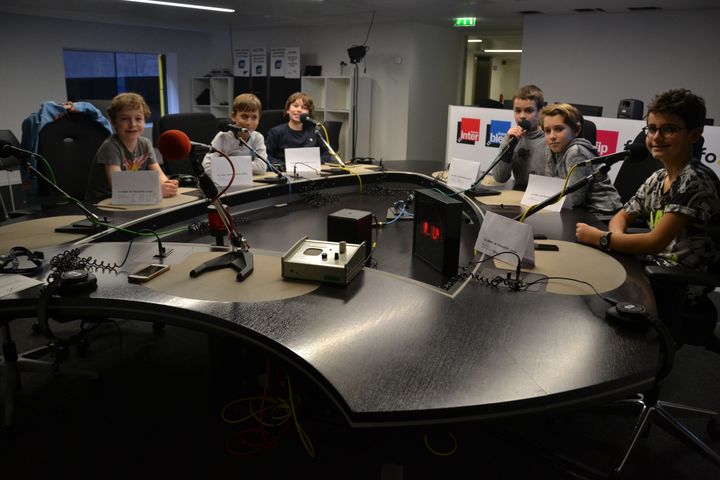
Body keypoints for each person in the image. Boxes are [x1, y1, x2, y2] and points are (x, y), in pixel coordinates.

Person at [576, 89, 720, 339]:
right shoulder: (659, 177)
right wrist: (616, 237)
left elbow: (656, 243)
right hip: (652, 269)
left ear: (694, 135)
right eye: (651, 129)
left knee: (594, 298)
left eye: (669, 129)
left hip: (676, 284)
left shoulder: (695, 181)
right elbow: (621, 216)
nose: (656, 137)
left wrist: (604, 239)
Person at [86, 92, 177, 201]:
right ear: (114, 122)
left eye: (138, 119)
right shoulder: (110, 147)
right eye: (125, 119)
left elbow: (159, 174)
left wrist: (167, 184)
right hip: (104, 201)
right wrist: (156, 190)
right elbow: (118, 187)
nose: (132, 124)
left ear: (144, 121)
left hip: (133, 198)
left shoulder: (145, 144)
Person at [541, 103, 622, 212]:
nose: (552, 136)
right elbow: (549, 186)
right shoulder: (551, 148)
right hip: (579, 209)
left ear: (577, 130)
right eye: (547, 131)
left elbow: (574, 199)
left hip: (603, 213)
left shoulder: (576, 151)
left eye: (559, 129)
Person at [491, 84, 547, 189]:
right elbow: (499, 178)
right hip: (518, 192)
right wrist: (507, 144)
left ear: (540, 112)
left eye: (529, 110)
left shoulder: (549, 139)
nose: (522, 116)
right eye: (517, 110)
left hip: (542, 195)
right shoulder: (512, 138)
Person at [202, 93, 268, 177]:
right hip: (225, 183)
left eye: (254, 117)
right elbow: (207, 167)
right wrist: (245, 167)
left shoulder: (258, 137)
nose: (249, 122)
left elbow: (262, 167)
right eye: (244, 116)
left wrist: (225, 164)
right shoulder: (223, 136)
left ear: (259, 119)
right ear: (233, 116)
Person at [264, 92, 331, 169]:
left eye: (304, 108)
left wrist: (316, 163)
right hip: (285, 173)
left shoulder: (314, 132)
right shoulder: (276, 132)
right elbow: (266, 156)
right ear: (288, 110)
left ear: (308, 113)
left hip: (311, 171)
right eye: (295, 106)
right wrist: (285, 166)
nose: (299, 110)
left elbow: (326, 153)